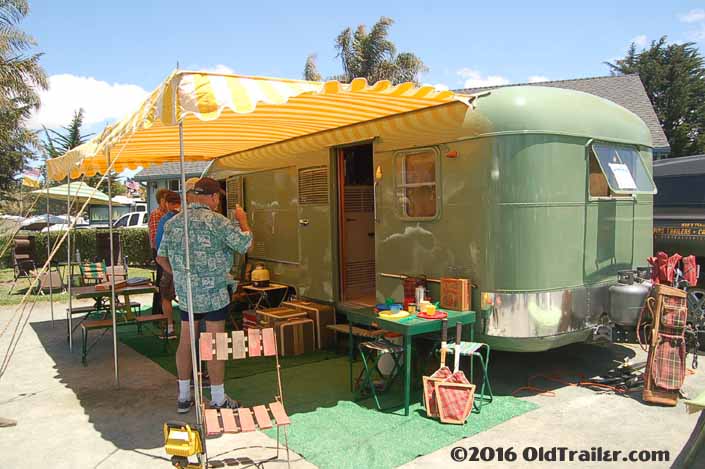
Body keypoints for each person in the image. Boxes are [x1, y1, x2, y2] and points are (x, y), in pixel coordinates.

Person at [157, 177, 252, 413]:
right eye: (217, 196)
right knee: (215, 342)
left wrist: (179, 275)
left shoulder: (173, 223)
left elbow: (160, 257)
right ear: (212, 197)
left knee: (186, 341)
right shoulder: (218, 221)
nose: (218, 200)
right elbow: (246, 245)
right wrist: (243, 220)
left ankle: (183, 396)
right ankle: (218, 398)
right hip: (214, 293)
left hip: (188, 293)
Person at [155, 191, 181, 338]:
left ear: (167, 203)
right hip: (190, 264)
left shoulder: (165, 220)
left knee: (166, 297)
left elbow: (159, 247)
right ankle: (192, 329)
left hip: (170, 265)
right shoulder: (187, 217)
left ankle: (170, 328)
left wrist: (167, 268)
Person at [148, 188, 170, 315]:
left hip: (162, 252)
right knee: (162, 282)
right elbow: (157, 238)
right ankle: (159, 312)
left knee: (163, 282)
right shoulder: (157, 214)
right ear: (162, 200)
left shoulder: (165, 214)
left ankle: (160, 311)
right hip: (160, 252)